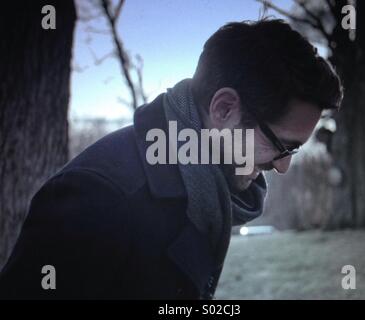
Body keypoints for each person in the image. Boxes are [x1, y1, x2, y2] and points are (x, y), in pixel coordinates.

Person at [0, 18, 343, 299]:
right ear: (224, 109)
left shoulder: (205, 187)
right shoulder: (99, 196)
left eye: (293, 151)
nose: (283, 167)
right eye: (281, 145)